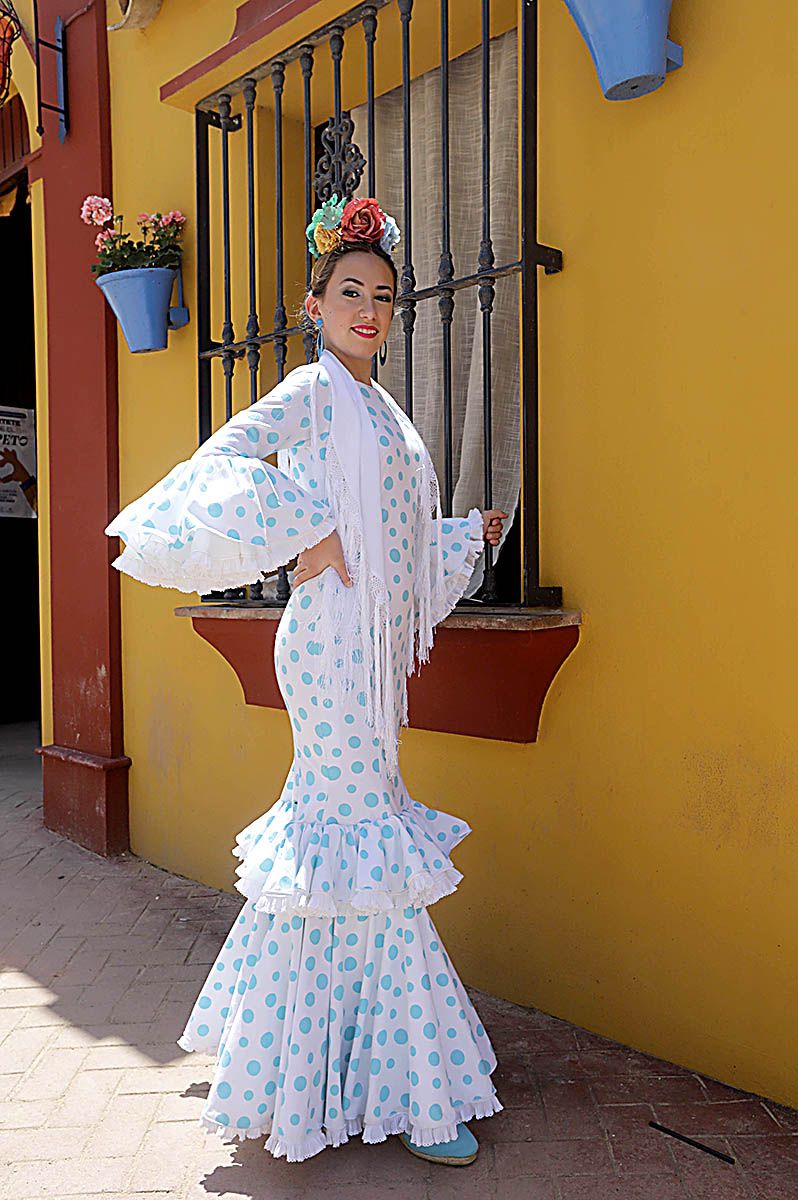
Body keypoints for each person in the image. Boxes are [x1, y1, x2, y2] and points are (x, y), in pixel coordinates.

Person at [105, 195, 508, 1166]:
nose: (368, 310)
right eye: (350, 293)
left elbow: (396, 543)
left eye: (382, 297)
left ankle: (277, 1052)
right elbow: (223, 462)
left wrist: (462, 538)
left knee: (337, 842)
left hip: (368, 652)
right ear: (314, 303)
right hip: (329, 648)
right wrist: (303, 531)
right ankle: (416, 1089)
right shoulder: (314, 391)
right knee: (359, 842)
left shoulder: (383, 411)